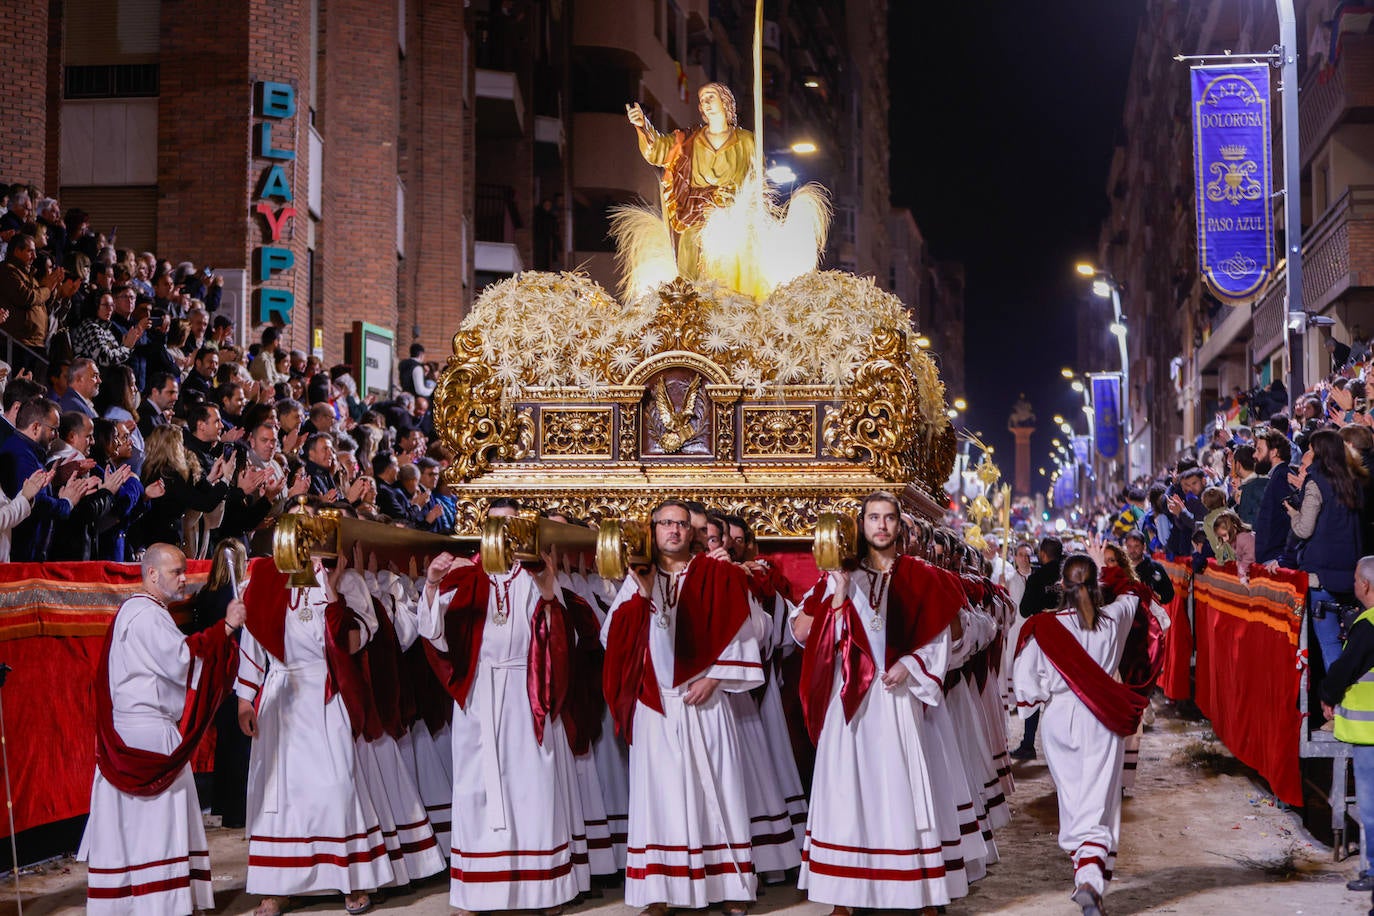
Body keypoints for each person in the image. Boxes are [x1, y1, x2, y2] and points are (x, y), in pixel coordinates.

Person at [788, 491, 968, 915]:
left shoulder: (924, 576)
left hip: (898, 699)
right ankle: (844, 894)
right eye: (873, 518)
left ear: (900, 525)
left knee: (902, 788)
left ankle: (917, 891)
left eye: (889, 518)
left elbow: (944, 638)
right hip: (848, 702)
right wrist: (837, 596)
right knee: (846, 790)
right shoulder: (839, 576)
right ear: (861, 524)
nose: (882, 526)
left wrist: (911, 662)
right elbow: (803, 635)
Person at [418, 502, 591, 915]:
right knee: (476, 789)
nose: (503, 530)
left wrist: (549, 591)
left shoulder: (537, 574)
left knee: (534, 787)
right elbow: (432, 633)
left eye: (511, 523)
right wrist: (429, 585)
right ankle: (478, 892)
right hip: (479, 695)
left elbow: (566, 642)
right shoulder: (463, 574)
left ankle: (543, 890)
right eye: (495, 522)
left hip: (527, 691)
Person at [601, 498, 763, 916]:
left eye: (680, 524)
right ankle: (660, 890)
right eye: (664, 523)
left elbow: (742, 631)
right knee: (659, 797)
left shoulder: (716, 572)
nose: (673, 530)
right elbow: (611, 639)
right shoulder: (638, 575)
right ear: (652, 530)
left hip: (706, 701)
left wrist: (715, 677)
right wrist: (640, 594)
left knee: (721, 792)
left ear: (691, 532)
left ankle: (729, 888)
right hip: (657, 705)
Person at [78, 543, 244, 914]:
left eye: (185, 570)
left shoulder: (130, 611)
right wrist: (227, 627)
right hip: (152, 738)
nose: (184, 578)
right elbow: (183, 661)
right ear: (151, 574)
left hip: (123, 738)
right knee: (161, 830)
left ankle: (127, 905)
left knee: (126, 832)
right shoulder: (148, 615)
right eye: (176, 572)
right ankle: (166, 904)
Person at [237, 550, 394, 915]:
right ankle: (275, 889)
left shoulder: (343, 579)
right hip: (280, 696)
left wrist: (335, 590)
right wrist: (245, 699)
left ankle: (349, 880)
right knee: (278, 798)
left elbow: (353, 643)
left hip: (325, 693)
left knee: (338, 785)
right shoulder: (265, 579)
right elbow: (252, 641)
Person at [1013, 546, 1147, 916]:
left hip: (1059, 720)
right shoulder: (1113, 619)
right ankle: (1091, 875)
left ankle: (1086, 871)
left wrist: (1033, 701)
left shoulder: (1043, 627)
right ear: (1097, 583)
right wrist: (1119, 574)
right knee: (1099, 801)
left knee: (1074, 801)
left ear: (1060, 584)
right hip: (1101, 718)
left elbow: (1026, 684)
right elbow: (1136, 597)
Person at [627, 82, 756, 279]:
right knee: (689, 253)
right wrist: (643, 126)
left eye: (711, 96)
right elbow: (659, 150)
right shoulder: (689, 140)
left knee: (729, 269)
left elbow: (758, 180)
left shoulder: (747, 141)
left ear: (726, 101)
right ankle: (691, 301)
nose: (706, 102)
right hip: (695, 212)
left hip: (731, 214)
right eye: (702, 99)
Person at [1319, 555, 1374, 897]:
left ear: (1365, 585)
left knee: (1370, 809)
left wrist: (1327, 694)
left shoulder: (1367, 626)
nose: (1352, 584)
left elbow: (1343, 669)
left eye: (1355, 579)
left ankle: (1371, 871)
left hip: (1369, 736)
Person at [1289, 430, 1366, 673]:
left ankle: (1334, 701)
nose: (1307, 454)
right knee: (1352, 644)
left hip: (1320, 576)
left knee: (1329, 642)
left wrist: (1293, 514)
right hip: (1352, 573)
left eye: (1311, 449)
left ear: (1320, 451)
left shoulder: (1316, 481)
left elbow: (1304, 528)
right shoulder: (1355, 480)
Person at [1012, 536, 1065, 760]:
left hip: (1043, 639)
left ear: (1042, 554)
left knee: (1032, 686)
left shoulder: (1038, 577)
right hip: (1068, 638)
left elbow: (1025, 610)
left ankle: (1028, 743)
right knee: (1063, 692)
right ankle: (1063, 746)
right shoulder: (1072, 571)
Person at [1123, 529, 1174, 605]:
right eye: (1129, 546)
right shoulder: (1121, 568)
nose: (1132, 550)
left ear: (1144, 546)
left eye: (1136, 546)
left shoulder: (1155, 568)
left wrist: (1157, 597)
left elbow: (1169, 593)